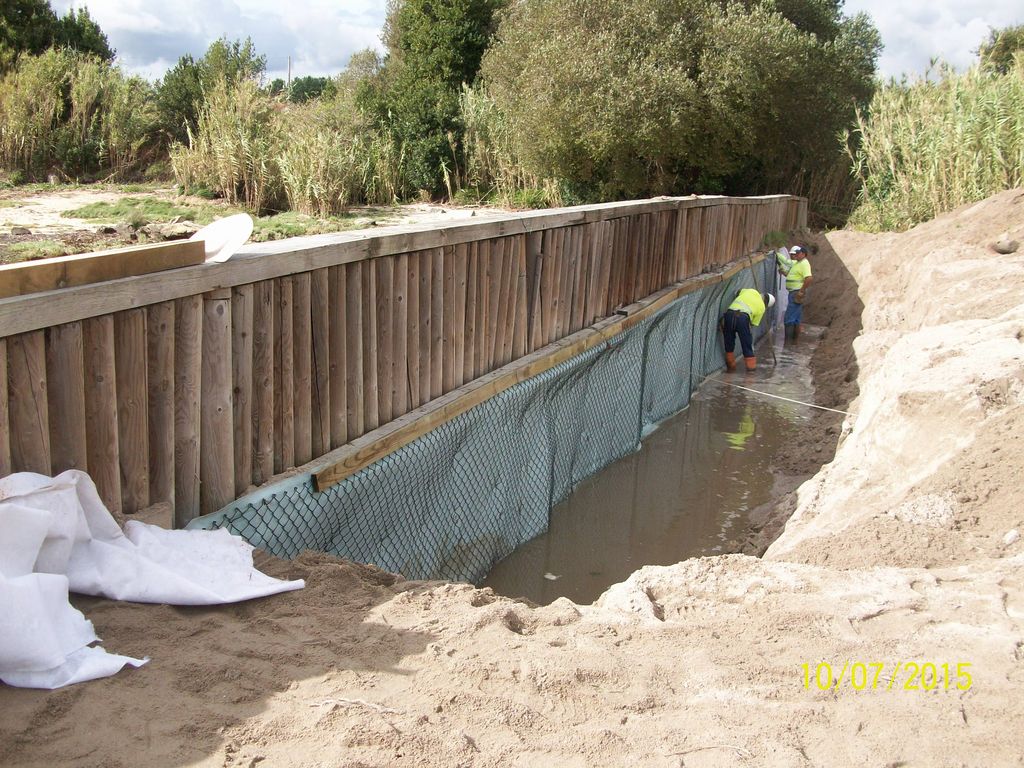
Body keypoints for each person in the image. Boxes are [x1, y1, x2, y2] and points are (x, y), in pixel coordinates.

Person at [722, 288, 775, 372]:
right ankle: (751, 372)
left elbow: (738, 292)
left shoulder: (751, 291)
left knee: (729, 343)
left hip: (729, 314)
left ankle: (731, 369)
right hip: (742, 318)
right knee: (747, 344)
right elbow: (753, 324)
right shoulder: (762, 308)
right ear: (766, 304)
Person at [776, 245, 813, 340]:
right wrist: (783, 271)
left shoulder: (804, 263)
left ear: (803, 254)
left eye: (798, 253)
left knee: (789, 318)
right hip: (794, 292)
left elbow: (809, 278)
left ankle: (787, 343)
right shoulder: (797, 263)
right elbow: (791, 274)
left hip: (796, 292)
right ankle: (793, 342)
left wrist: (801, 291)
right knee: (796, 318)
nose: (796, 255)